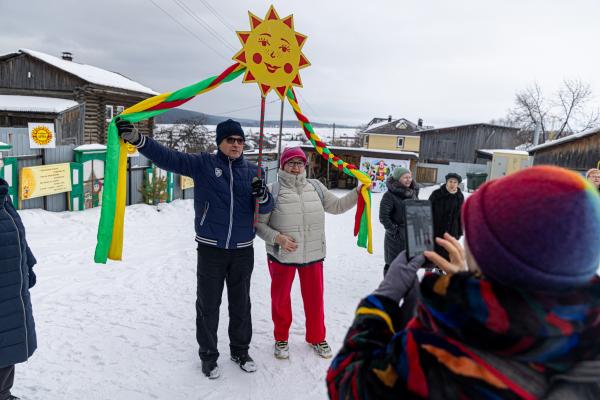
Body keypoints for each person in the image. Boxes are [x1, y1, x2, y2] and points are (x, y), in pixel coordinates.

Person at [327, 166, 600, 399]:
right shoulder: (588, 342)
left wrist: (383, 299)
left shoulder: (440, 351)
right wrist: (471, 287)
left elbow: (348, 383)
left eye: (474, 234)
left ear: (493, 255)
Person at [116, 118, 273, 379]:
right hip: (211, 250)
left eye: (240, 141)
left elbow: (266, 207)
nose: (236, 144)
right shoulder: (203, 164)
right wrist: (138, 140)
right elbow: (168, 158)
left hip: (243, 250)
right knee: (208, 305)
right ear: (219, 143)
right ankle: (209, 356)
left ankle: (240, 351)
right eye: (230, 140)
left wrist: (263, 195)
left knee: (241, 305)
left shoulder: (254, 171)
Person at [255, 147, 360, 360]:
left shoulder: (316, 187)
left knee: (315, 299)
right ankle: (281, 338)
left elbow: (337, 206)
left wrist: (358, 193)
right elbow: (258, 225)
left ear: (305, 165)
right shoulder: (272, 190)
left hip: (313, 254)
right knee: (280, 299)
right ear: (283, 165)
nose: (296, 167)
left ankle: (317, 337)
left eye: (300, 163)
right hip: (282, 256)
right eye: (291, 163)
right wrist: (278, 238)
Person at [0, 178, 37, 400]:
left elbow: (16, 233)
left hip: (11, 287)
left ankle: (3, 394)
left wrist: (28, 263)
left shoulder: (3, 196)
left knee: (8, 346)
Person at [379, 167, 419, 276]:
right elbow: (383, 217)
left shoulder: (413, 193)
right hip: (395, 239)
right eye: (405, 177)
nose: (408, 180)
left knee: (408, 264)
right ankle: (389, 285)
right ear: (397, 179)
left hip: (411, 236)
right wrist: (395, 231)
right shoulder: (389, 195)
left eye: (410, 177)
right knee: (392, 264)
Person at [428, 172, 464, 260]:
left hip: (452, 230)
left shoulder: (459, 196)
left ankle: (444, 266)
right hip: (437, 228)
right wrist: (428, 228)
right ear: (446, 182)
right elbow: (428, 210)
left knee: (448, 252)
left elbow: (460, 215)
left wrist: (459, 231)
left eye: (455, 182)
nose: (452, 184)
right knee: (435, 251)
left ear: (458, 184)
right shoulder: (437, 194)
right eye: (450, 181)